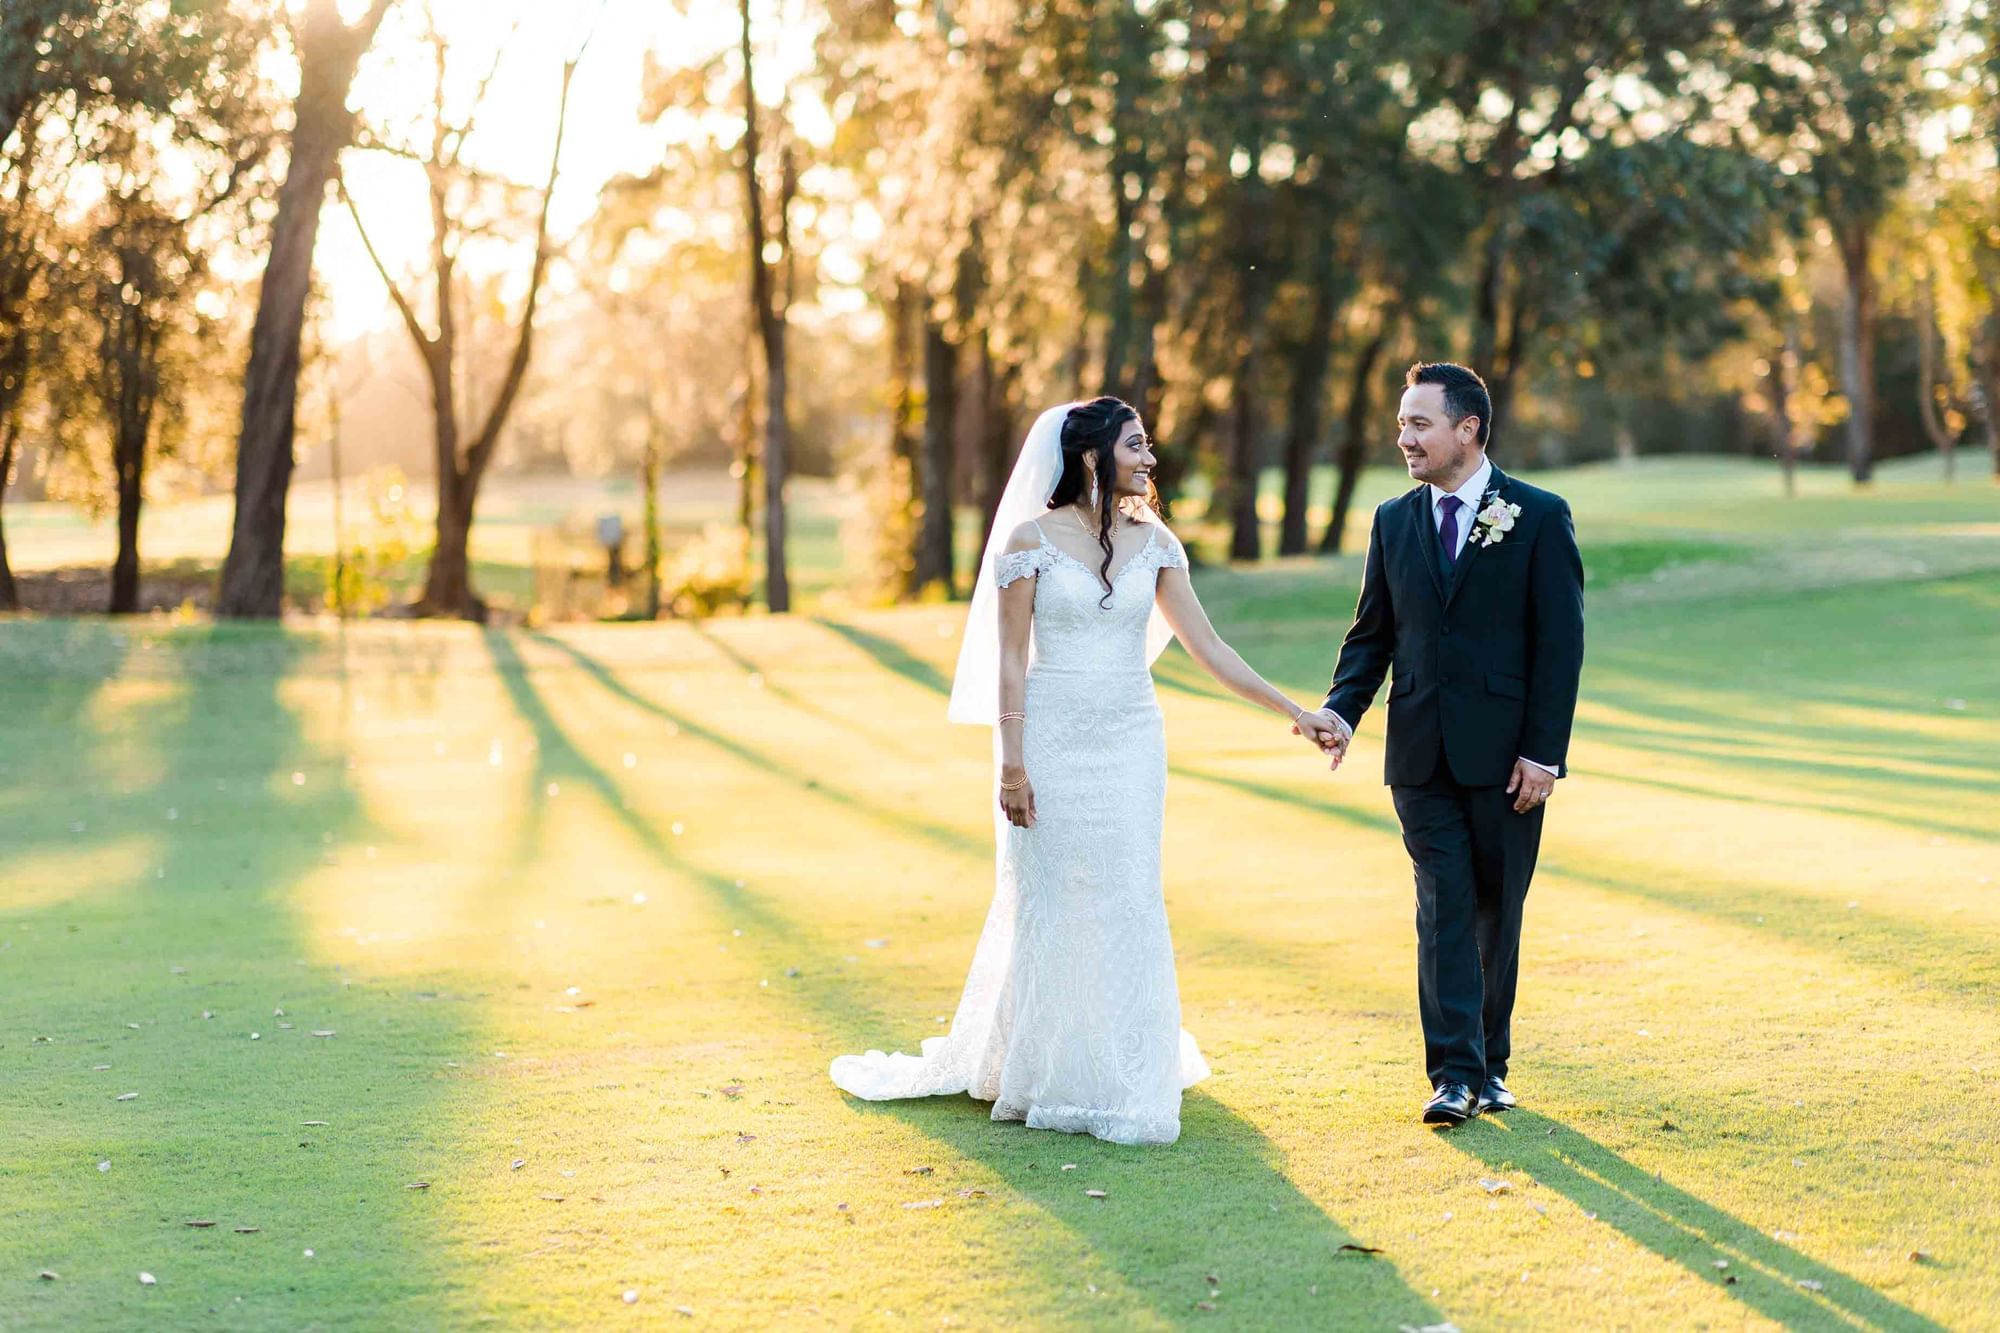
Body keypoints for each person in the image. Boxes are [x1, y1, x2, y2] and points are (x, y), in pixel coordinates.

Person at [830, 397, 1342, 1145]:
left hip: (1133, 742)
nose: (1151, 459)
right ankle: (1046, 1069)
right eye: (1138, 445)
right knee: (1053, 900)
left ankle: (1127, 1067)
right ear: (1094, 454)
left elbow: (1209, 646)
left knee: (1129, 894)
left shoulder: (1156, 540)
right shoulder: (1030, 539)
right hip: (1050, 741)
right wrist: (1011, 763)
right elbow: (1010, 658)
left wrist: (1294, 710)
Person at [1296, 362, 1585, 1126]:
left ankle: (1493, 1066)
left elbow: (1560, 646)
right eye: (1401, 424)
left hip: (1508, 761)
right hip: (1419, 754)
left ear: (1469, 429)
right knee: (1443, 905)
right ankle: (1454, 1074)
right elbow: (1373, 635)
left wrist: (1543, 752)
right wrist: (1342, 711)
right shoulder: (1393, 521)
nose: (1404, 438)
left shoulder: (1539, 515)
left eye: (1419, 423)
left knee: (1497, 910)